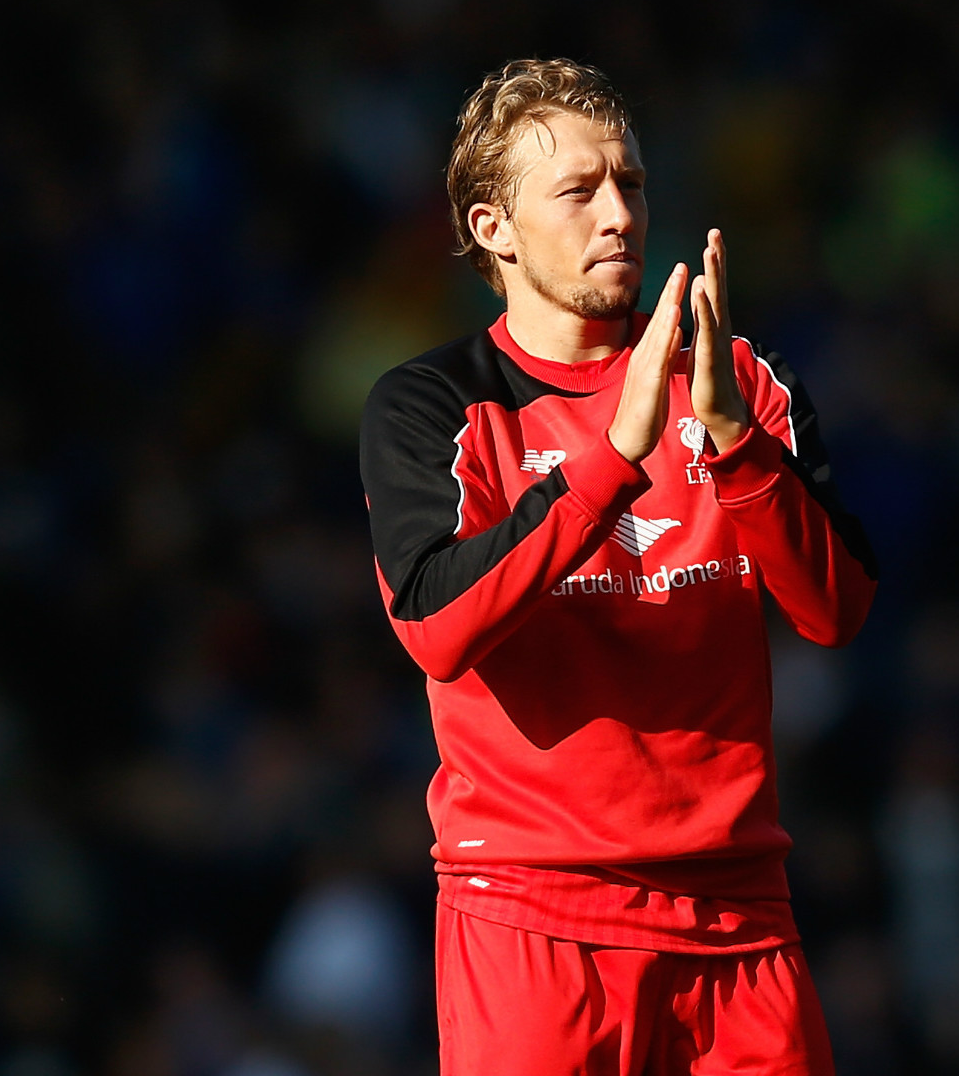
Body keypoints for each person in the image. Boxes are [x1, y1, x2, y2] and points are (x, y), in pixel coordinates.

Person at [358, 58, 877, 1075]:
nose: (619, 215)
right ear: (494, 227)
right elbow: (436, 630)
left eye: (630, 183)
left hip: (737, 920)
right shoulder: (431, 404)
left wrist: (732, 441)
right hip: (534, 917)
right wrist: (611, 461)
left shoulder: (739, 381)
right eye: (578, 190)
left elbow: (837, 611)